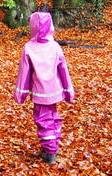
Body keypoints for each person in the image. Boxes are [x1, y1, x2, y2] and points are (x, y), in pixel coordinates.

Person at [14, 11, 75, 164]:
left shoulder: (29, 48)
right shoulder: (54, 47)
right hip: (54, 91)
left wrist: (20, 93)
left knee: (44, 119)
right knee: (53, 117)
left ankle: (50, 151)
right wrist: (68, 90)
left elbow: (24, 73)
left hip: (40, 93)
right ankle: (53, 144)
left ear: (32, 27)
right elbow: (63, 70)